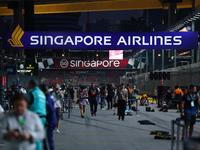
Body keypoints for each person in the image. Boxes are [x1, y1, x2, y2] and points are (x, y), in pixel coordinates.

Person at [26, 80, 46, 150]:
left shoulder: (31, 92)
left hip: (35, 117)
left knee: (34, 137)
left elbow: (25, 104)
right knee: (38, 137)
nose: (28, 87)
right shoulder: (42, 93)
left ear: (31, 85)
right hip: (43, 117)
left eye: (28, 85)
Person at [39, 84, 57, 150]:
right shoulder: (50, 96)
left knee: (47, 140)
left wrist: (46, 118)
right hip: (53, 119)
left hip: (50, 120)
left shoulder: (47, 97)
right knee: (46, 139)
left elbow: (51, 110)